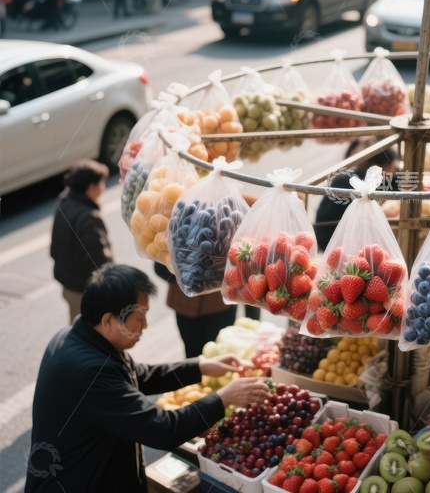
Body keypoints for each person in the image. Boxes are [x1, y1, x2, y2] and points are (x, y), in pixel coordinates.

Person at [26, 264, 269, 493]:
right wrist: (222, 398)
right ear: (108, 320)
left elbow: (138, 374)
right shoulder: (89, 373)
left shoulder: (78, 336)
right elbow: (163, 429)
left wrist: (201, 367)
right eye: (138, 318)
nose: (144, 326)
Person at [51, 160, 113, 323]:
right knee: (88, 329)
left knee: (77, 322)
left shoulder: (65, 199)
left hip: (67, 279)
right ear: (91, 186)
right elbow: (99, 258)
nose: (103, 187)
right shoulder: (88, 217)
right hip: (83, 287)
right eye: (101, 183)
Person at [314, 139, 399, 250]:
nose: (395, 171)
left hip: (328, 239)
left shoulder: (347, 178)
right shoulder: (354, 184)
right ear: (385, 166)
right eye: (393, 166)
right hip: (335, 241)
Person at [155, 262, 237, 358]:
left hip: (217, 304)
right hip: (191, 304)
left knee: (219, 351)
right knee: (199, 352)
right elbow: (160, 266)